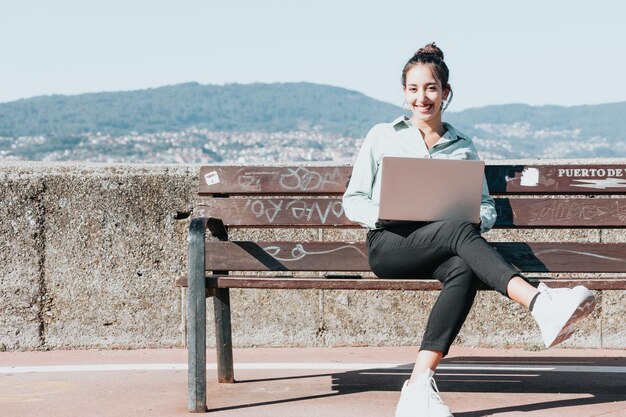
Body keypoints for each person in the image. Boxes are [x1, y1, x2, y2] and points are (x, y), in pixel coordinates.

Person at [342, 43, 597, 417]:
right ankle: (540, 304)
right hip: (392, 244)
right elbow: (354, 199)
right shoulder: (382, 135)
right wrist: (391, 211)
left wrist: (478, 216)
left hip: (445, 247)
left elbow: (487, 206)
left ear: (445, 93)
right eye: (413, 89)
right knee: (458, 232)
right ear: (404, 94)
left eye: (430, 88)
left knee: (463, 265)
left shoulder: (463, 146)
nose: (421, 97)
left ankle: (418, 386)